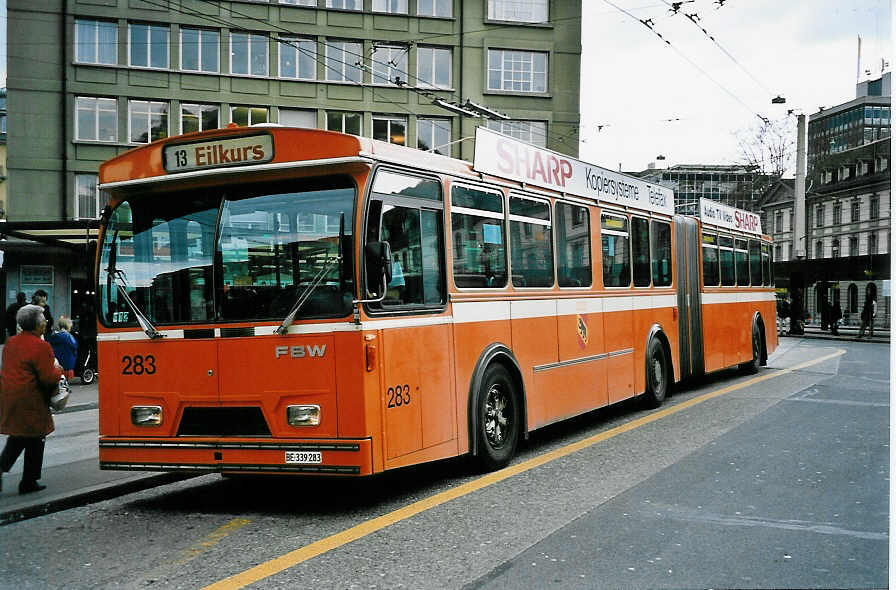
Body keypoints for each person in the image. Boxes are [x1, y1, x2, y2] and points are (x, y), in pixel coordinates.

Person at [0, 304, 63, 494]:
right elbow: (48, 377)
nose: (46, 322)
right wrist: (59, 371)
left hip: (11, 396)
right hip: (31, 398)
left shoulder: (11, 342)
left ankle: (8, 471)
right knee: (36, 438)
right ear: (37, 325)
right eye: (43, 319)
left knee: (19, 437)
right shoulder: (41, 346)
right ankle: (29, 481)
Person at [48, 316, 78, 381]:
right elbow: (74, 346)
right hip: (68, 364)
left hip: (57, 365)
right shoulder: (69, 337)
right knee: (65, 383)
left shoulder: (53, 337)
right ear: (68, 326)